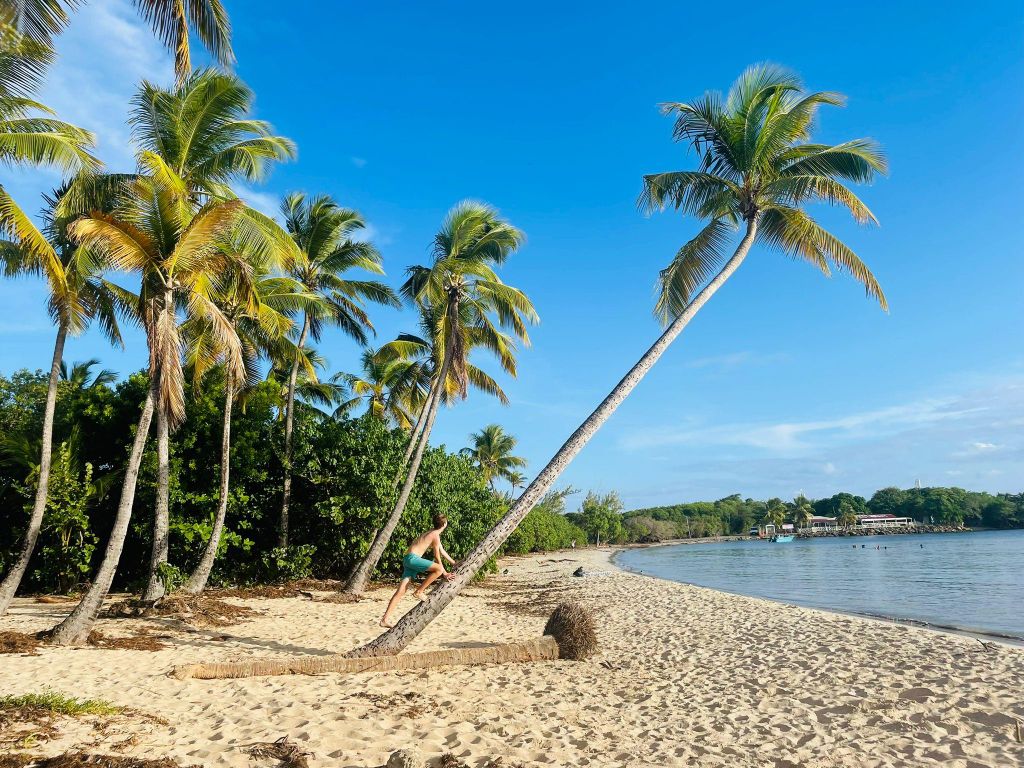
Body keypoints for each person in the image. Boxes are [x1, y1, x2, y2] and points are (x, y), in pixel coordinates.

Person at [379, 513, 456, 628]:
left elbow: (441, 550)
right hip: (413, 559)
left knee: (401, 591)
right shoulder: (435, 534)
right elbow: (436, 555)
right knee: (439, 569)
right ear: (445, 524)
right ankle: (419, 591)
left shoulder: (432, 532)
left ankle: (385, 619)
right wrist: (444, 573)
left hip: (407, 559)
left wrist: (454, 563)